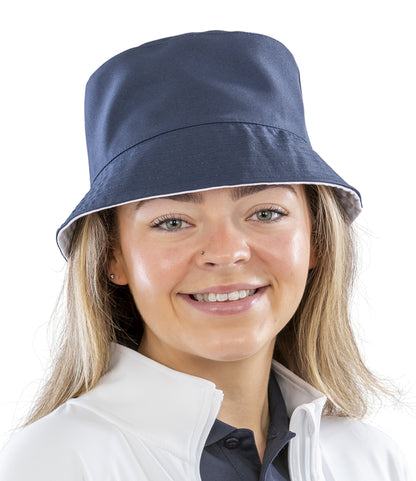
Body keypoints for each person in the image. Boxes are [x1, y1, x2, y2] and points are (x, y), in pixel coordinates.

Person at [0, 30, 412, 481]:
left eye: (266, 213)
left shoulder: (371, 461)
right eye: (172, 222)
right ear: (111, 257)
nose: (226, 252)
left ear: (316, 239)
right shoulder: (55, 464)